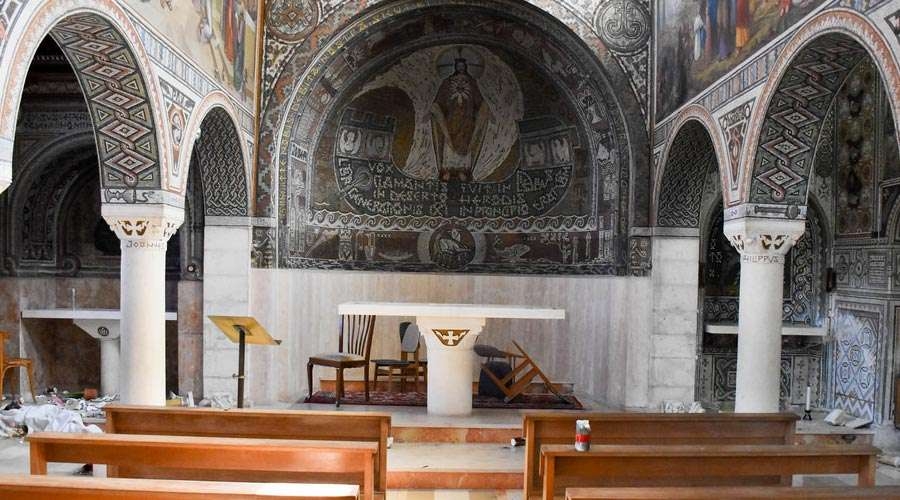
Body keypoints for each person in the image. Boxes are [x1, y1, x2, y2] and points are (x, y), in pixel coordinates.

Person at [430, 58, 493, 182]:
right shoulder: (447, 82)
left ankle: (462, 170)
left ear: (465, 67)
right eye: (458, 66)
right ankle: (447, 169)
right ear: (455, 67)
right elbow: (439, 100)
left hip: (467, 120)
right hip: (451, 119)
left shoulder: (471, 82)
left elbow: (479, 101)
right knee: (449, 142)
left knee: (465, 143)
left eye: (462, 65)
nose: (460, 68)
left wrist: (486, 111)